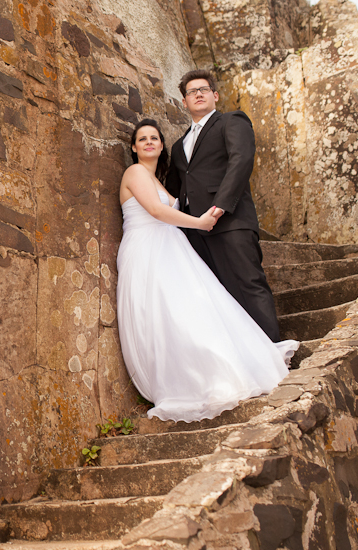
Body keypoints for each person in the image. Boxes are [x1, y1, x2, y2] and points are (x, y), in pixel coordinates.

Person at [117, 119, 298, 422]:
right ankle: (189, 379)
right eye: (142, 139)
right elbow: (157, 211)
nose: (149, 142)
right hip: (147, 249)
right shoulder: (134, 172)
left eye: (154, 138)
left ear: (162, 146)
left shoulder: (159, 180)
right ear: (134, 147)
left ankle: (223, 369)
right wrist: (201, 222)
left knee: (198, 309)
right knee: (169, 315)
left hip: (171, 248)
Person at [166, 69, 282, 342]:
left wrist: (219, 207)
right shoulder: (178, 145)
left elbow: (241, 161)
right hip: (196, 231)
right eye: (191, 92)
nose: (197, 94)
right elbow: (175, 189)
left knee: (249, 284)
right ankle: (247, 356)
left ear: (214, 96)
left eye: (203, 90)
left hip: (231, 221)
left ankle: (275, 352)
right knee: (219, 295)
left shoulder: (232, 121)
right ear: (184, 101)